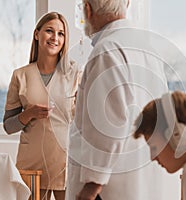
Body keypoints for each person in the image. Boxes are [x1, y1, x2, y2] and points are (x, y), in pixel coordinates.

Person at [66, 0, 178, 200]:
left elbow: (108, 125)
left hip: (108, 187)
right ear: (126, 4)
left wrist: (90, 188)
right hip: (142, 178)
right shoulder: (147, 48)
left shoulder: (107, 49)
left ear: (88, 10)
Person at [3, 12, 80, 200]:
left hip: (65, 163)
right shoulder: (20, 76)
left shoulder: (75, 74)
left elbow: (85, 122)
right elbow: (8, 126)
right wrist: (28, 114)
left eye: (61, 34)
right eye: (49, 31)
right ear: (37, 34)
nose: (55, 38)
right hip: (31, 165)